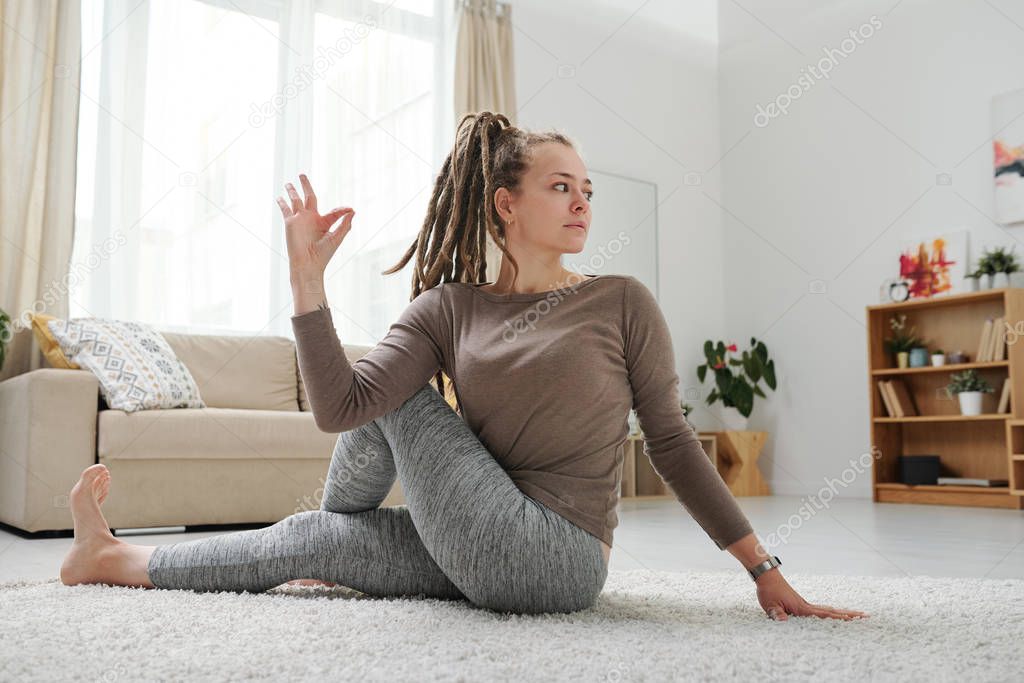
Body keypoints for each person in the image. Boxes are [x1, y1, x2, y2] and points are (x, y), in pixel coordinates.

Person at [60, 111, 868, 621]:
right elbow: (339, 407)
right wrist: (308, 281)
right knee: (318, 535)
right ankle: (110, 558)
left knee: (403, 400)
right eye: (561, 187)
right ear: (506, 205)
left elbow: (670, 440)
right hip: (476, 540)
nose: (583, 201)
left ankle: (339, 536)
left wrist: (762, 567)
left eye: (587, 188)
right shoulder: (450, 308)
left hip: (559, 558)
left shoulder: (621, 300)